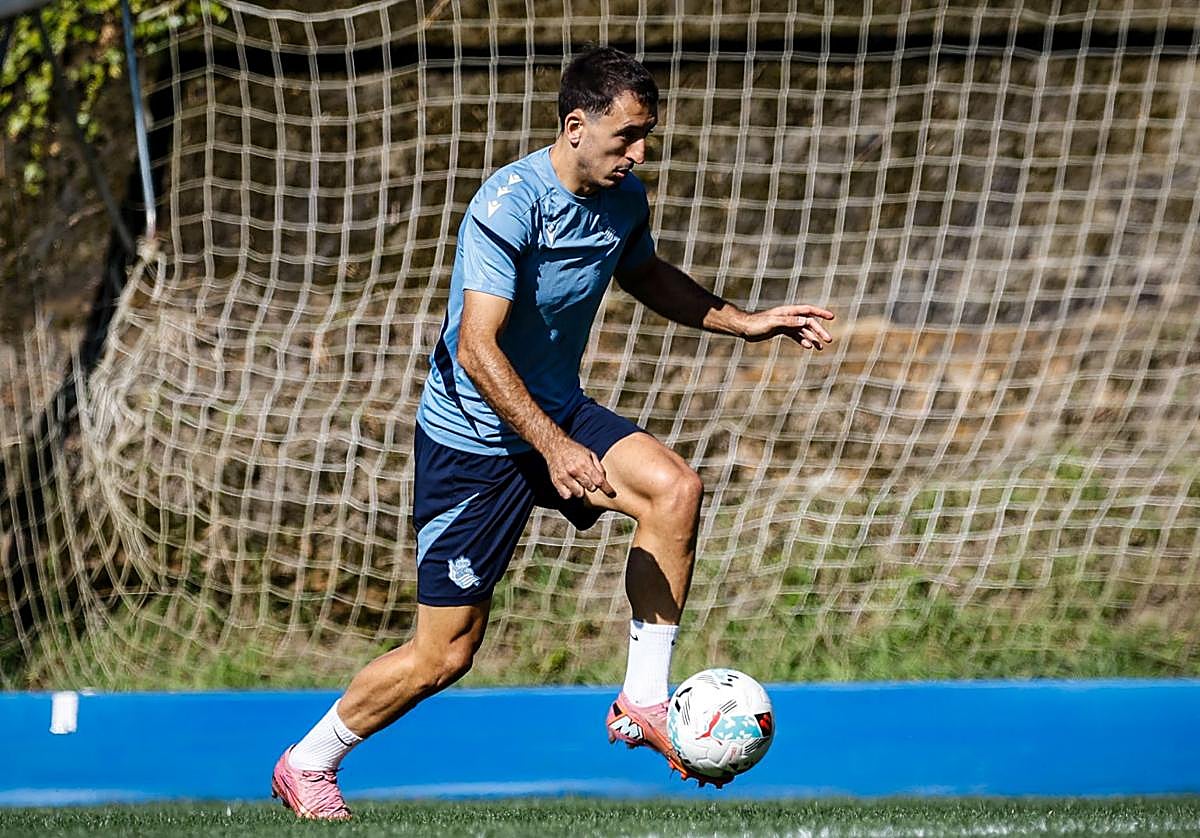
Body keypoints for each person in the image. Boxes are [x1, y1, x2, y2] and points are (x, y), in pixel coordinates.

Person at [270, 45, 835, 820]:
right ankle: (309, 761)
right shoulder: (508, 205)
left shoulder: (622, 199)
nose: (638, 155)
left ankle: (643, 699)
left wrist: (749, 322)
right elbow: (476, 348)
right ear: (576, 125)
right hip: (473, 440)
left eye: (646, 138)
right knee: (445, 655)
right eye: (626, 137)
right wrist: (551, 445)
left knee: (675, 490)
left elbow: (646, 274)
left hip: (555, 410)